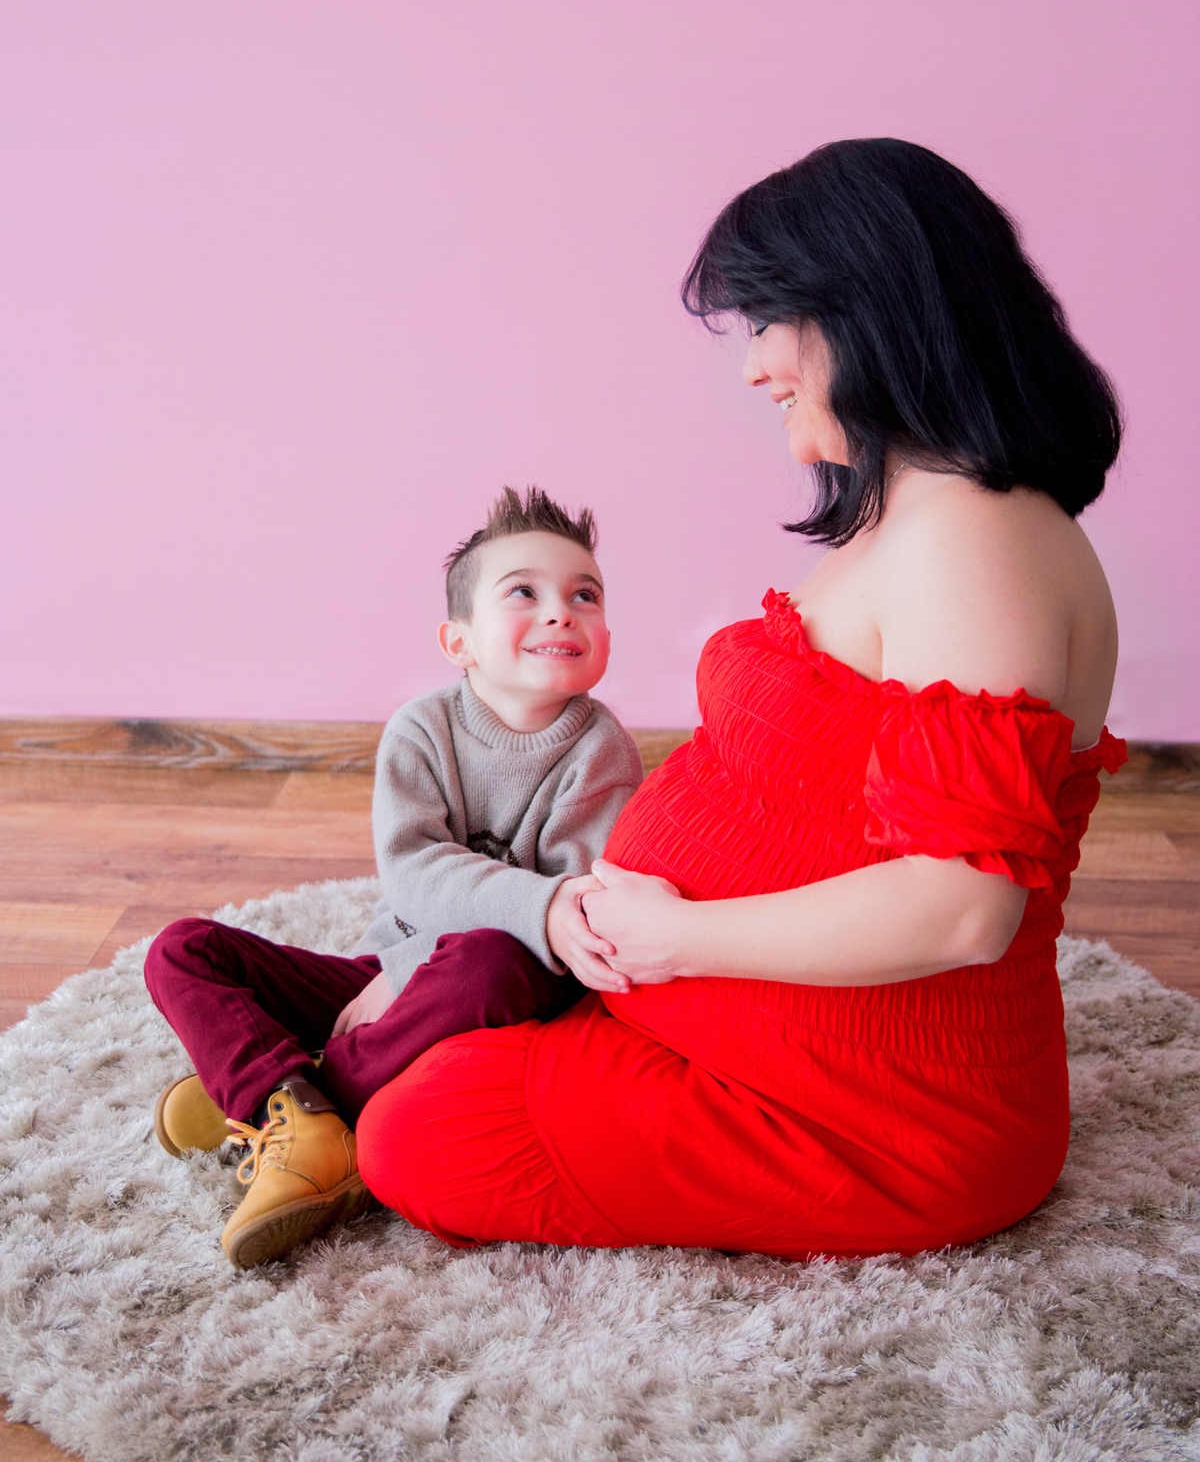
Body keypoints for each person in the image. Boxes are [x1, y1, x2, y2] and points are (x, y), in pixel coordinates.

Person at [355, 138, 1127, 1259]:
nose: (758, 366)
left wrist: (678, 937)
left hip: (875, 1117)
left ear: (866, 306)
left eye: (768, 321)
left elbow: (963, 909)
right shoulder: (919, 517)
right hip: (742, 1033)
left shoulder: (979, 540)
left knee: (416, 1132)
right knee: (433, 1007)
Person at [144, 487, 643, 1268]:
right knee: (181, 950)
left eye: (585, 595)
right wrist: (393, 978)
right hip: (391, 967)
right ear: (460, 641)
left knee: (490, 958)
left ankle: (294, 1100)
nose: (561, 612)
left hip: (496, 983)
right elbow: (412, 872)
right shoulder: (421, 728)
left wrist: (410, 980)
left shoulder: (600, 749)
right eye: (525, 592)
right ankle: (292, 1110)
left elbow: (569, 916)